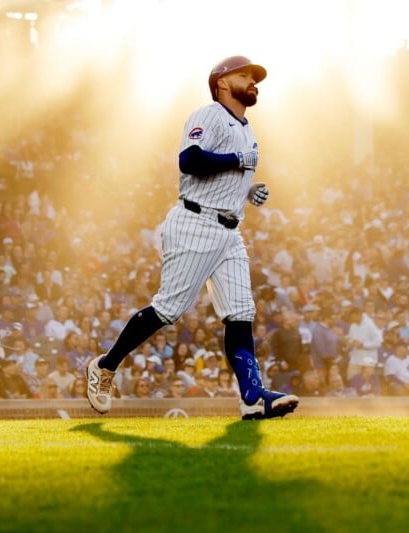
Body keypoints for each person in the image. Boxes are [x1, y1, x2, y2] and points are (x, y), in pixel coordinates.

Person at [86, 56, 298, 420]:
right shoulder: (209, 114)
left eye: (254, 77)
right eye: (244, 75)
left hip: (230, 230)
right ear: (221, 82)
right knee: (168, 310)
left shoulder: (247, 129)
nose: (253, 81)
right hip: (195, 223)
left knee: (241, 314)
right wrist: (237, 162)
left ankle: (251, 396)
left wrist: (247, 189)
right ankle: (105, 367)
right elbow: (190, 161)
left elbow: (229, 171)